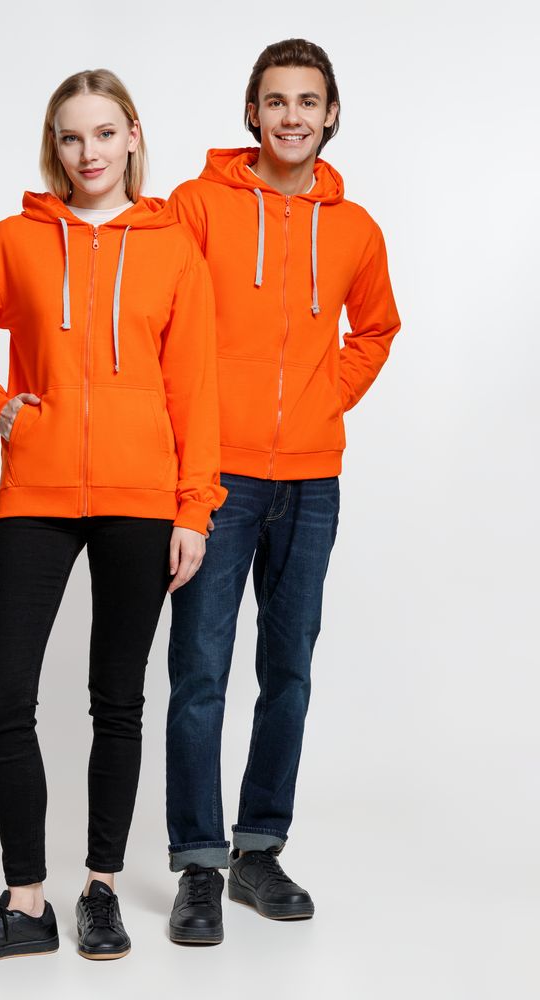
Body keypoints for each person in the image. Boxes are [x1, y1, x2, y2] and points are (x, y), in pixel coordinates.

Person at [0, 68, 225, 965]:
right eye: (70, 136)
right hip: (37, 494)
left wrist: (194, 509)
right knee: (4, 697)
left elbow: (196, 392)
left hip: (142, 500)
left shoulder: (174, 250)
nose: (88, 152)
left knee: (118, 701)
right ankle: (26, 904)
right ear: (53, 147)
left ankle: (101, 889)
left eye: (103, 133)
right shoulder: (14, 241)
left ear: (132, 135)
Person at [165, 38, 401, 943]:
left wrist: (321, 397)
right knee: (200, 670)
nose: (292, 116)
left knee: (289, 669)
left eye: (308, 101)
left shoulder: (356, 228)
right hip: (216, 476)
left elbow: (374, 329)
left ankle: (259, 849)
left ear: (330, 114)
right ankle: (198, 863)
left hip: (311, 479)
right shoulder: (196, 207)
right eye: (276, 101)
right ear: (251, 113)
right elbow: (162, 318)